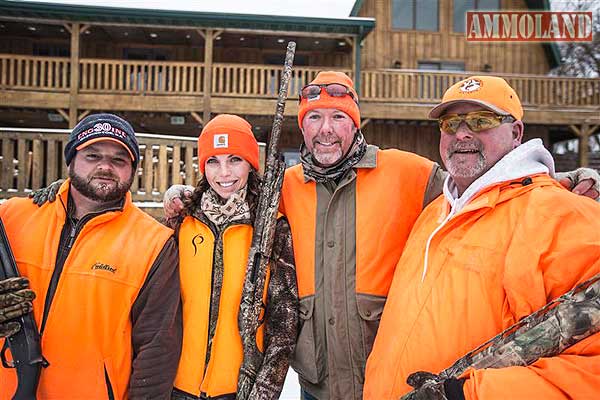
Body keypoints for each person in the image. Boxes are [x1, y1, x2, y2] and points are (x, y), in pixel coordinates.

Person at [164, 72, 599, 400]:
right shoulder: (286, 185)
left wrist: (563, 181)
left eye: (338, 116)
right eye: (314, 117)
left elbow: (486, 186)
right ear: (303, 126)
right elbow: (232, 199)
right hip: (316, 378)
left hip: (382, 375)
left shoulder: (407, 171)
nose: (326, 128)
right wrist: (185, 197)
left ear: (356, 123)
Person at [363, 76, 600, 399]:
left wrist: (469, 394)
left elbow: (590, 372)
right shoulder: (435, 213)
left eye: (481, 120)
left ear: (516, 133)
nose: (462, 133)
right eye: (451, 123)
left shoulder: (564, 216)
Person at [0, 113, 182, 399]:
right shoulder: (12, 216)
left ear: (132, 169)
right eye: (92, 155)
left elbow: (157, 349)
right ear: (71, 160)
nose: (105, 167)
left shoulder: (154, 243)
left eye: (119, 160)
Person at [169, 114, 298, 400]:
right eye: (213, 161)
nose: (224, 173)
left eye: (234, 160)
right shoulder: (182, 222)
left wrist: (263, 393)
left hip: (237, 389)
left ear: (251, 163)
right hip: (178, 387)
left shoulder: (273, 229)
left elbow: (284, 325)